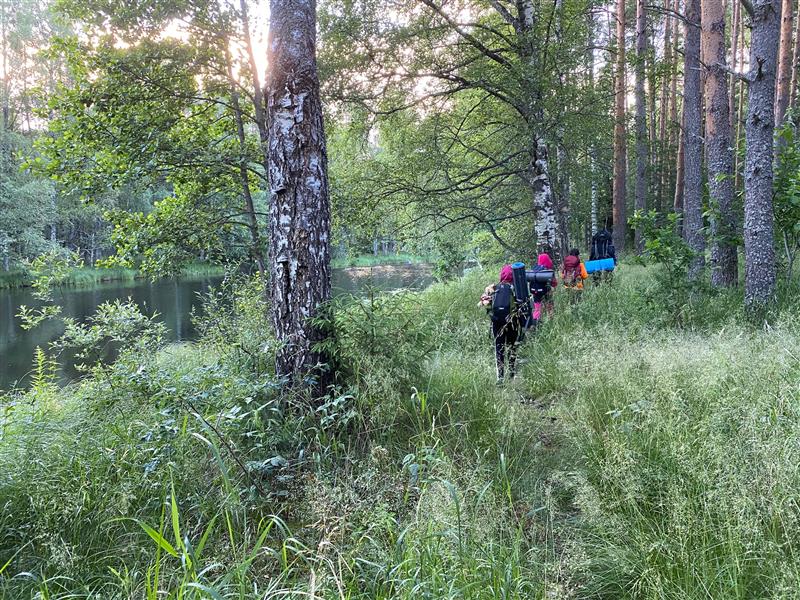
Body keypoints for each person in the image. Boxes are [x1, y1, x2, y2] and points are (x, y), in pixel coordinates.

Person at [479, 264, 522, 383]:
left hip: (497, 322)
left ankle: (500, 377)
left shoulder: (493, 288)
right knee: (512, 346)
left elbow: (483, 304)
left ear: (501, 275)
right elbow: (521, 305)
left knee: (499, 347)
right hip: (512, 321)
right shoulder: (515, 288)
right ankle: (512, 373)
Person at [529, 253, 557, 326]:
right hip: (547, 293)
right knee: (550, 308)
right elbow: (554, 283)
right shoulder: (548, 271)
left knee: (537, 309)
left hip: (535, 293)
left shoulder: (534, 269)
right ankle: (551, 324)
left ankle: (535, 325)